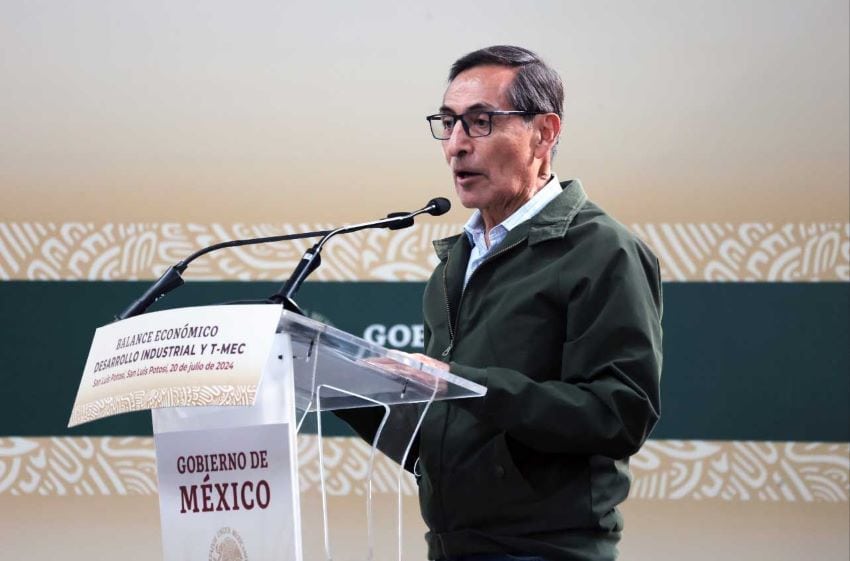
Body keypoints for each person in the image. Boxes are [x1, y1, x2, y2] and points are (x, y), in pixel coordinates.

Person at [345, 45, 662, 561]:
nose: (455, 146)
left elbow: (619, 414)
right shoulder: (457, 261)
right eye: (447, 123)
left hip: (546, 551)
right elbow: (442, 436)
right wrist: (346, 382)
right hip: (451, 547)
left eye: (480, 122)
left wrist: (467, 385)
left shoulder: (603, 251)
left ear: (545, 133)